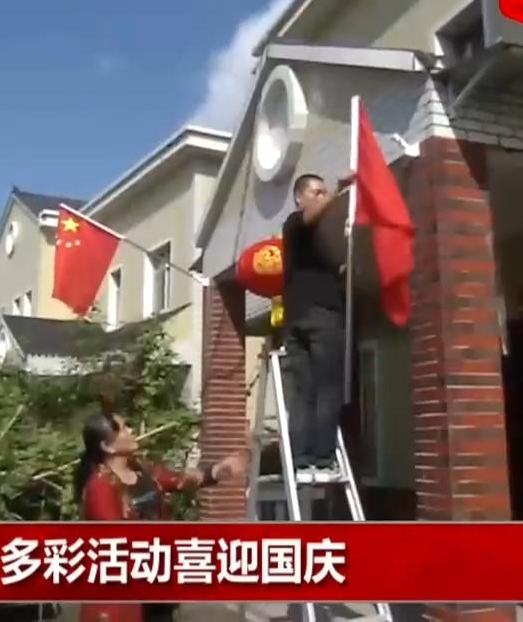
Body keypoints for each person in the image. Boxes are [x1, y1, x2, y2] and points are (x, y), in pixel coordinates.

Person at [74, 410, 249, 622]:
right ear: (107, 446)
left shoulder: (144, 471)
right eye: (124, 428)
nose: (131, 430)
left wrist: (219, 470)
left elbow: (181, 480)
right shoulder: (100, 487)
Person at [281, 172, 352, 484]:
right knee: (327, 387)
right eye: (316, 192)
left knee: (305, 391)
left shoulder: (311, 245)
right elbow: (311, 216)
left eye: (323, 192)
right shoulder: (295, 223)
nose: (322, 197)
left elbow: (332, 268)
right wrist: (338, 190)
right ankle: (322, 459)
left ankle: (301, 459)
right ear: (300, 197)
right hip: (318, 316)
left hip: (298, 318)